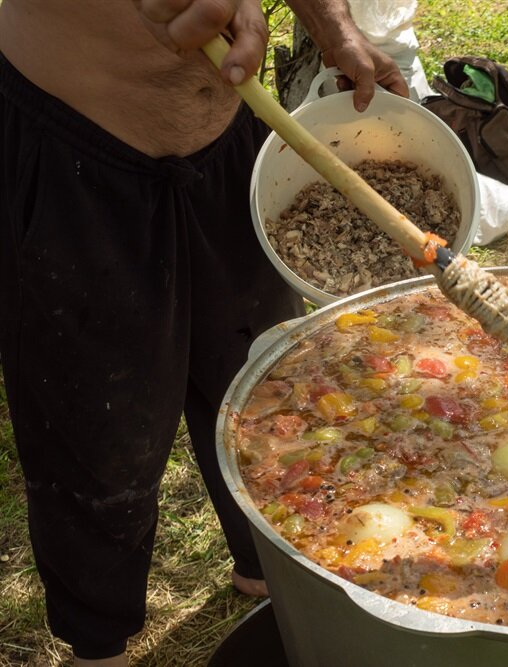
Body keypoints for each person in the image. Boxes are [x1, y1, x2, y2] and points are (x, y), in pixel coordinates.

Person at [0, 1, 408, 665]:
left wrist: (334, 25)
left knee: (267, 388)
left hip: (231, 137)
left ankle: (263, 570)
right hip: (77, 142)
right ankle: (97, 646)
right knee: (95, 435)